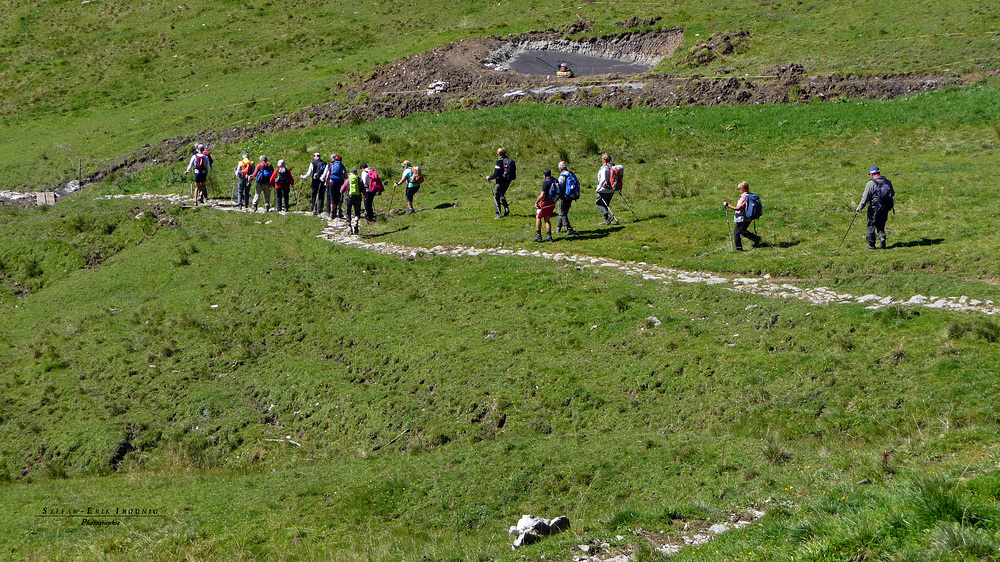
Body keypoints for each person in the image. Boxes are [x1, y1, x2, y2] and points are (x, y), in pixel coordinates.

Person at [856, 166, 894, 250]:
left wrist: (860, 207)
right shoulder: (887, 181)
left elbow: (865, 197)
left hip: (874, 208)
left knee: (871, 225)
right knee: (881, 225)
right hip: (885, 208)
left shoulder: (871, 183)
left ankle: (871, 245)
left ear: (872, 174)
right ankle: (882, 238)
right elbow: (892, 193)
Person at [723, 181, 761, 251]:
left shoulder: (743, 197)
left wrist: (728, 205)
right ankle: (756, 238)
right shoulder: (750, 195)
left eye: (740, 189)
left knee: (737, 232)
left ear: (742, 189)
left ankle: (739, 247)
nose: (739, 190)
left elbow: (738, 208)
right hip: (749, 217)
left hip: (743, 218)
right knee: (742, 230)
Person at [485, 147, 515, 219]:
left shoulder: (499, 162)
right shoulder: (509, 161)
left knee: (496, 196)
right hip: (508, 181)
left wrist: (489, 177)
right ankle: (506, 207)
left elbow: (496, 174)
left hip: (500, 181)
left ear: (499, 154)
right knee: (502, 194)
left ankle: (498, 213)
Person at [533, 168, 558, 242]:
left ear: (544, 175)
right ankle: (549, 236)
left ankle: (538, 236)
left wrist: (537, 202)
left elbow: (542, 194)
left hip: (546, 202)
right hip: (553, 202)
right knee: (547, 219)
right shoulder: (555, 180)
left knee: (538, 217)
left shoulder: (546, 182)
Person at [321, 154, 346, 219]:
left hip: (332, 183)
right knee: (340, 196)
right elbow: (346, 176)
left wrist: (326, 182)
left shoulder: (331, 165)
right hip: (340, 183)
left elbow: (328, 175)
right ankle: (339, 211)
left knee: (332, 197)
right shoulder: (342, 166)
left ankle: (332, 213)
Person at [555, 161, 577, 236]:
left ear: (560, 168)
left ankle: (569, 228)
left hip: (563, 196)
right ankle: (558, 228)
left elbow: (559, 187)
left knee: (562, 213)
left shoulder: (562, 176)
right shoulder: (571, 174)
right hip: (570, 196)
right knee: (563, 212)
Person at [342, 168, 364, 234]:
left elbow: (342, 189)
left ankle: (350, 228)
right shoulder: (359, 180)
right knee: (357, 211)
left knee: (348, 212)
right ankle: (356, 221)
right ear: (356, 173)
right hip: (358, 197)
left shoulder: (347, 180)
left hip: (349, 198)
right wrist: (365, 194)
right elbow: (363, 189)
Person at [595, 153, 616, 225]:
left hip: (604, 189)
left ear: (604, 160)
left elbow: (603, 179)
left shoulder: (604, 168)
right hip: (612, 189)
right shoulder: (613, 167)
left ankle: (608, 216)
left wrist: (598, 188)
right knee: (606, 204)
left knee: (598, 204)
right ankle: (606, 220)